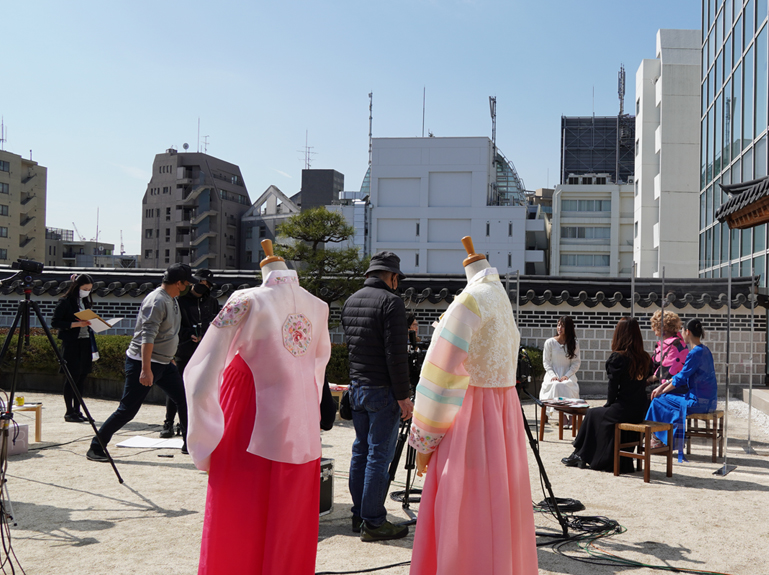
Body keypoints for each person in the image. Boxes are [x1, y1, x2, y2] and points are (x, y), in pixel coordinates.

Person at [185, 245, 331, 575]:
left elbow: (201, 373)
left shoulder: (245, 301)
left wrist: (202, 440)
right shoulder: (319, 307)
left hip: (247, 418)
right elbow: (317, 372)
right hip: (302, 425)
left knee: (239, 516)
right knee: (290, 523)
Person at [408, 238, 538, 575]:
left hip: (470, 416)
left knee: (464, 509)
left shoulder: (468, 300)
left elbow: (438, 375)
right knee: (498, 506)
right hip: (503, 415)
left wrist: (424, 440)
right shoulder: (500, 298)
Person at [86, 263, 193, 462]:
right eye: (186, 283)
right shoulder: (157, 301)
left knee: (184, 400)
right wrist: (145, 369)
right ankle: (96, 446)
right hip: (143, 362)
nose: (188, 287)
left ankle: (189, 444)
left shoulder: (173, 299)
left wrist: (169, 358)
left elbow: (166, 334)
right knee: (127, 410)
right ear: (178, 283)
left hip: (164, 363)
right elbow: (147, 336)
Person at [342, 251, 413, 542]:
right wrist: (404, 397)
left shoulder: (350, 300)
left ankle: (360, 513)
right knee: (378, 455)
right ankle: (373, 522)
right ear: (393, 277)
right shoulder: (392, 302)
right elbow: (395, 356)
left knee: (361, 451)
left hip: (357, 387)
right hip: (383, 390)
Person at [562, 317, 651, 473]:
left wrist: (609, 404)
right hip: (639, 409)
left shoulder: (618, 357)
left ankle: (580, 454)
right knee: (597, 414)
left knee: (591, 413)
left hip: (622, 408)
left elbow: (613, 387)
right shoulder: (645, 357)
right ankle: (580, 455)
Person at [159, 269, 220, 439]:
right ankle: (168, 422)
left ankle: (192, 423)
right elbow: (174, 325)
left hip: (204, 350)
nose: (203, 287)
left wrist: (205, 333)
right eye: (201, 283)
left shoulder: (212, 302)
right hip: (183, 349)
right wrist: (188, 334)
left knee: (201, 388)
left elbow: (216, 322)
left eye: (207, 285)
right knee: (176, 387)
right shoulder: (179, 301)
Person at [646, 318, 717, 459]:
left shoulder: (694, 353)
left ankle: (659, 439)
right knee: (665, 399)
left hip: (698, 402)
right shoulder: (705, 350)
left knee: (658, 400)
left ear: (687, 332)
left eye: (683, 331)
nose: (681, 333)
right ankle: (667, 439)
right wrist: (662, 385)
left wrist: (661, 390)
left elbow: (681, 378)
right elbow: (681, 375)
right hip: (708, 401)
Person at [51, 273, 96, 422]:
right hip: (71, 343)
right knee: (72, 376)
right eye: (85, 288)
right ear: (76, 287)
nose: (87, 291)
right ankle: (69, 411)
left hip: (84, 342)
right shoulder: (65, 301)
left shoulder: (85, 301)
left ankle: (78, 410)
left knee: (82, 376)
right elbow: (55, 322)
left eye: (89, 289)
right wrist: (76, 324)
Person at [539, 315, 581, 426]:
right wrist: (553, 375)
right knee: (556, 385)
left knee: (566, 384)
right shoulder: (549, 343)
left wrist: (567, 375)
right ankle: (562, 415)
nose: (559, 328)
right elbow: (546, 362)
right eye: (558, 325)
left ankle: (571, 415)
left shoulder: (574, 343)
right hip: (552, 374)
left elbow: (576, 362)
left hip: (568, 374)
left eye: (562, 326)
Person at [646, 310, 689, 393]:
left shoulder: (676, 344)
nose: (653, 328)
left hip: (670, 386)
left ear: (663, 328)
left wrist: (648, 380)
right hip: (661, 382)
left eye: (655, 326)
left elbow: (666, 370)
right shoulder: (668, 343)